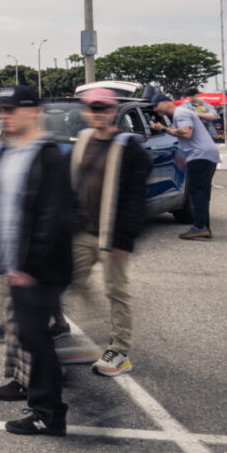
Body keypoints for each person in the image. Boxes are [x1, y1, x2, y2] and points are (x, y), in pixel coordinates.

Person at [0, 85, 75, 437]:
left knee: (35, 340)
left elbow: (54, 219)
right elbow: (1, 209)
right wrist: (2, 260)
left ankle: (49, 413)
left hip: (38, 270)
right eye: (2, 109)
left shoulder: (49, 157)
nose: (4, 115)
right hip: (17, 268)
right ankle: (47, 406)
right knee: (32, 337)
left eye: (11, 110)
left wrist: (29, 268)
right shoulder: (10, 151)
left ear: (33, 112)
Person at [62, 88, 149, 377]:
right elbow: (72, 180)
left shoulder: (129, 147)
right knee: (69, 279)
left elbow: (137, 197)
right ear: (86, 112)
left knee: (117, 291)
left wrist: (126, 239)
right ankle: (67, 329)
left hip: (113, 235)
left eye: (103, 109)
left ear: (113, 112)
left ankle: (120, 351)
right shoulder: (84, 139)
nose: (98, 115)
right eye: (92, 109)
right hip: (83, 231)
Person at [151, 93, 220, 239]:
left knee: (197, 192)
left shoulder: (180, 112)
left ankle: (200, 227)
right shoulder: (183, 112)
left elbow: (187, 133)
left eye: (156, 106)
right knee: (202, 192)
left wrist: (163, 129)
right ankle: (204, 227)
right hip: (206, 154)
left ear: (165, 102)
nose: (155, 109)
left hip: (199, 155)